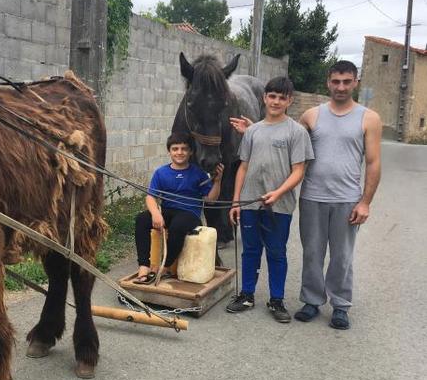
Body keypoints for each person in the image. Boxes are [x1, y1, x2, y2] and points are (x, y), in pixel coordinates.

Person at [294, 60, 382, 329]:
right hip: (312, 197)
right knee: (312, 253)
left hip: (347, 199)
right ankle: (311, 300)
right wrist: (254, 129)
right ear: (328, 82)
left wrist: (365, 202)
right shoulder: (311, 115)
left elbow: (373, 163)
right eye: (336, 81)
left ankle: (341, 305)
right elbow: (288, 142)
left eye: (347, 81)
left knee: (342, 256)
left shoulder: (369, 118)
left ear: (356, 82)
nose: (341, 87)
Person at [226, 76, 314, 323]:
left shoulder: (296, 132)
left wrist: (278, 193)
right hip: (250, 203)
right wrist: (235, 201)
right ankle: (246, 294)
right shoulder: (252, 131)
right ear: (264, 98)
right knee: (250, 250)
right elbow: (242, 167)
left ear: (289, 101)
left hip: (280, 205)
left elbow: (299, 170)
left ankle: (277, 299)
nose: (276, 101)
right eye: (272, 96)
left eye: (281, 97)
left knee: (276, 251)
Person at [133, 133, 223, 284]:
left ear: (190, 152)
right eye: (175, 149)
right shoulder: (161, 172)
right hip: (167, 211)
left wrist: (218, 182)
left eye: (184, 149)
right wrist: (155, 213)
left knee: (177, 226)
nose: (179, 152)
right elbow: (150, 197)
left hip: (189, 214)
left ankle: (166, 266)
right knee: (141, 219)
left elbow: (211, 200)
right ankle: (144, 265)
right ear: (169, 152)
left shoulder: (198, 173)